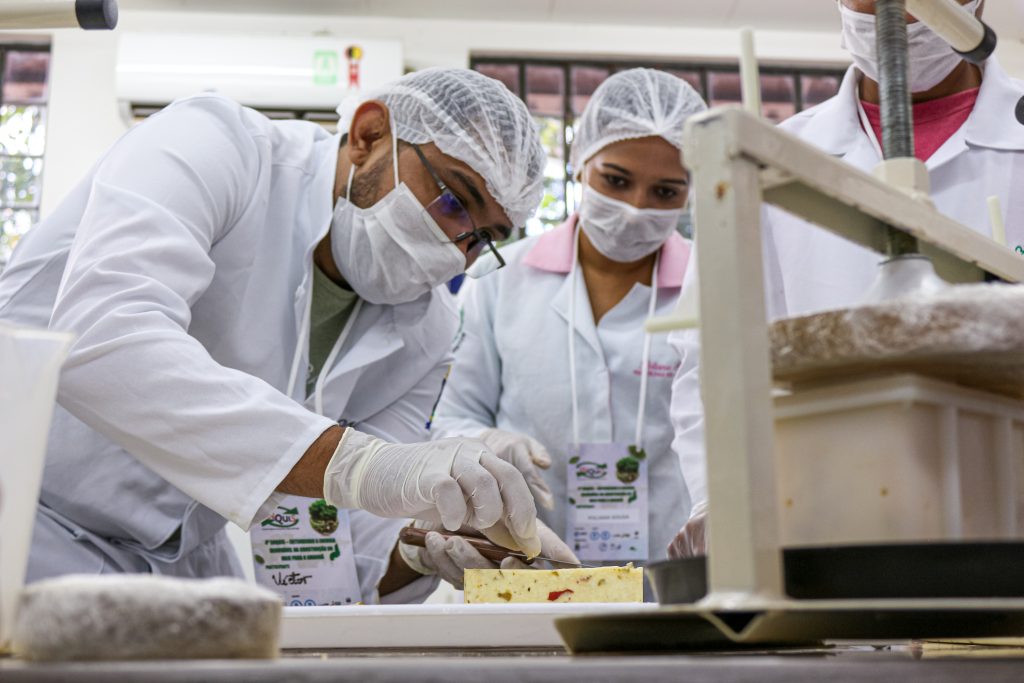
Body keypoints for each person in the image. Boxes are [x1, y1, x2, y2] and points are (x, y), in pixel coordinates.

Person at [0, 67, 572, 603]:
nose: (456, 249)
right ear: (369, 135)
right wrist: (359, 467)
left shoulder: (429, 329)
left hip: (182, 561)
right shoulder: (217, 146)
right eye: (453, 201)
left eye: (483, 240)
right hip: (27, 522)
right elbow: (104, 336)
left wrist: (421, 549)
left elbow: (357, 543)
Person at [667, 0, 1024, 558]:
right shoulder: (771, 158)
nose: (898, 9)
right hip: (824, 525)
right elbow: (713, 359)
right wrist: (723, 499)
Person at [425, 69, 707, 587]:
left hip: (671, 578)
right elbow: (449, 417)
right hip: (523, 569)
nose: (635, 208)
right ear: (580, 161)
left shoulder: (710, 286)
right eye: (615, 180)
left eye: (665, 191)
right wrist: (486, 443)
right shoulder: (501, 277)